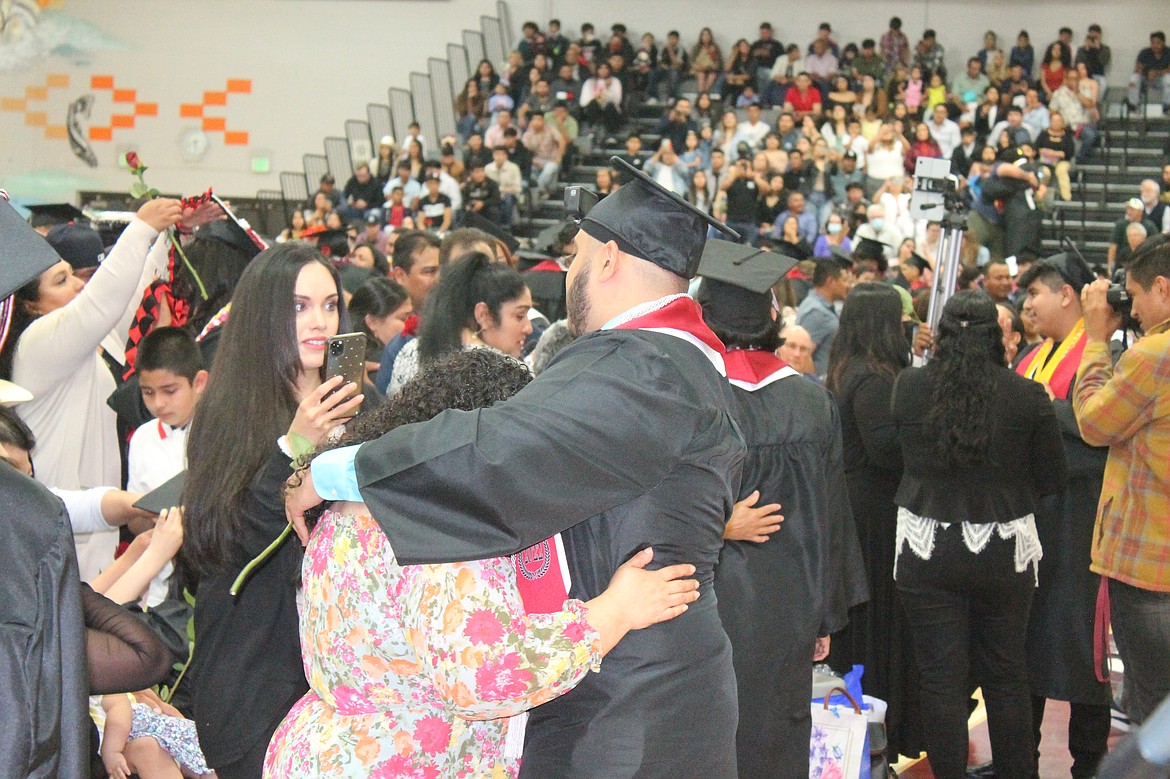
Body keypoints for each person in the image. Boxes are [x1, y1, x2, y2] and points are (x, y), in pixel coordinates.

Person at [287, 158, 748, 777]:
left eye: (576, 258)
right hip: (632, 683)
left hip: (633, 701)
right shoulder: (662, 361)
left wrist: (339, 470)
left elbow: (495, 450)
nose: (570, 273)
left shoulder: (644, 366)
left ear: (608, 260)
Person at [265, 349, 700, 777]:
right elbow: (486, 677)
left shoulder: (357, 498)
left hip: (326, 746)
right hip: (405, 760)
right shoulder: (444, 522)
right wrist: (615, 611)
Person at [180, 244, 366, 778]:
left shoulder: (359, 402)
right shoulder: (228, 409)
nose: (319, 321)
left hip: (340, 667)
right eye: (299, 306)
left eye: (329, 305)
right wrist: (294, 448)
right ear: (265, 314)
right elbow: (218, 542)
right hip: (254, 663)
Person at [699, 243, 866, 778]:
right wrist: (826, 613)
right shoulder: (811, 402)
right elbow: (831, 517)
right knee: (777, 732)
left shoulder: (691, 395)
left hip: (704, 599)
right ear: (774, 315)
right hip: (789, 604)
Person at [891, 290, 1066, 779]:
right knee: (1007, 678)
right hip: (1005, 551)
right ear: (999, 336)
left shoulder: (908, 387)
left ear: (941, 335)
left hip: (927, 549)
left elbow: (901, 460)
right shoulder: (1027, 395)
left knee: (941, 681)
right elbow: (1052, 478)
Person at [0, 198, 196, 580]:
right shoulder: (37, 344)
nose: (78, 286)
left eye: (73, 274)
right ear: (31, 307)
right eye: (61, 281)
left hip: (90, 528)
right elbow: (100, 304)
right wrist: (141, 227)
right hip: (58, 538)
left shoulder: (81, 345)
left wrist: (169, 232)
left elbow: (130, 297)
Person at [1014, 253, 1113, 778]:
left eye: (1036, 294)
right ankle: (1019, 761)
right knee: (1021, 643)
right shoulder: (1032, 358)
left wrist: (1033, 412)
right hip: (1029, 524)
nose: (1027, 304)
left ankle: (1089, 766)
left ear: (1067, 295)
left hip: (1079, 525)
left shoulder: (1101, 359)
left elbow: (1100, 434)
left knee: (1079, 648)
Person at [825, 282, 925, 762]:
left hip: (860, 508)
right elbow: (887, 452)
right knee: (879, 621)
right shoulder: (873, 378)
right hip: (876, 516)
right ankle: (884, 728)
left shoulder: (852, 370)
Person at [1073, 239, 1170, 727]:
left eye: (1133, 295)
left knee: (1152, 715)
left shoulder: (1154, 354)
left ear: (1163, 288)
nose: (1129, 306)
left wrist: (1095, 341)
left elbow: (1094, 422)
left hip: (1151, 565)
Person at [387, 253, 533, 394]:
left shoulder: (410, 352)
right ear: (483, 314)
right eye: (519, 316)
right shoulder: (506, 372)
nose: (529, 328)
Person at [346, 276, 412, 382]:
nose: (412, 325)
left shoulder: (350, 359)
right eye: (404, 318)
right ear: (372, 322)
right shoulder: (385, 365)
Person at [796, 257, 851, 378]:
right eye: (845, 280)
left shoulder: (819, 306)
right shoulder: (817, 312)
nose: (848, 286)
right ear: (831, 281)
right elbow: (800, 356)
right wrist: (818, 383)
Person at [1127, 31, 1170, 112]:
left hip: (1160, 79)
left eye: (1158, 43)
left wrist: (1157, 73)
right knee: (1134, 78)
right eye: (1153, 43)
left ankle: (1167, 105)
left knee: (1169, 79)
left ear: (1163, 43)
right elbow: (1138, 68)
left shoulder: (1168, 52)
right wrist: (1147, 73)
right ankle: (1133, 105)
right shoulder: (1145, 52)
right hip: (1146, 78)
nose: (1155, 45)